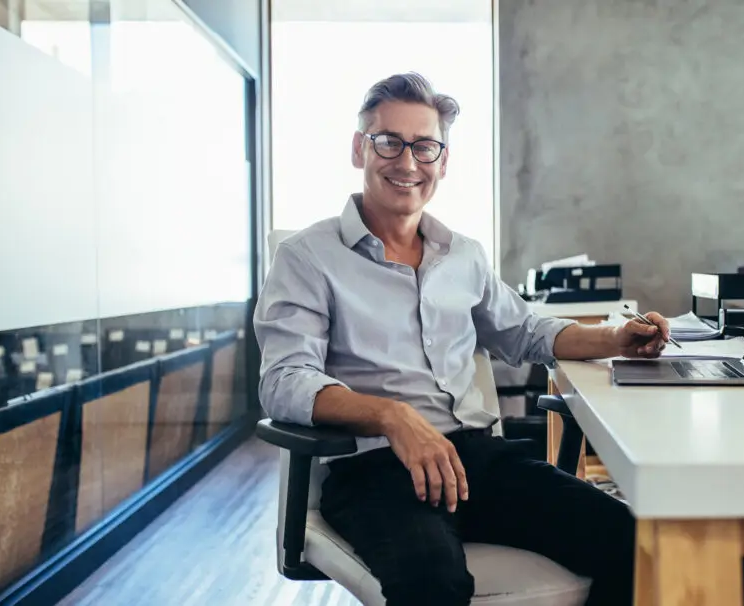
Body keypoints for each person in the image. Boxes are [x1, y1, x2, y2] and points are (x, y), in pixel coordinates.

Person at [254, 72, 671, 606]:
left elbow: (525, 331)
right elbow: (285, 379)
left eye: (424, 146)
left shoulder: (463, 255)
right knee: (433, 582)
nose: (407, 163)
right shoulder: (308, 258)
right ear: (360, 148)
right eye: (388, 142)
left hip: (476, 459)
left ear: (443, 161)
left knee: (636, 542)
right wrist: (393, 417)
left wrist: (617, 337)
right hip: (376, 472)